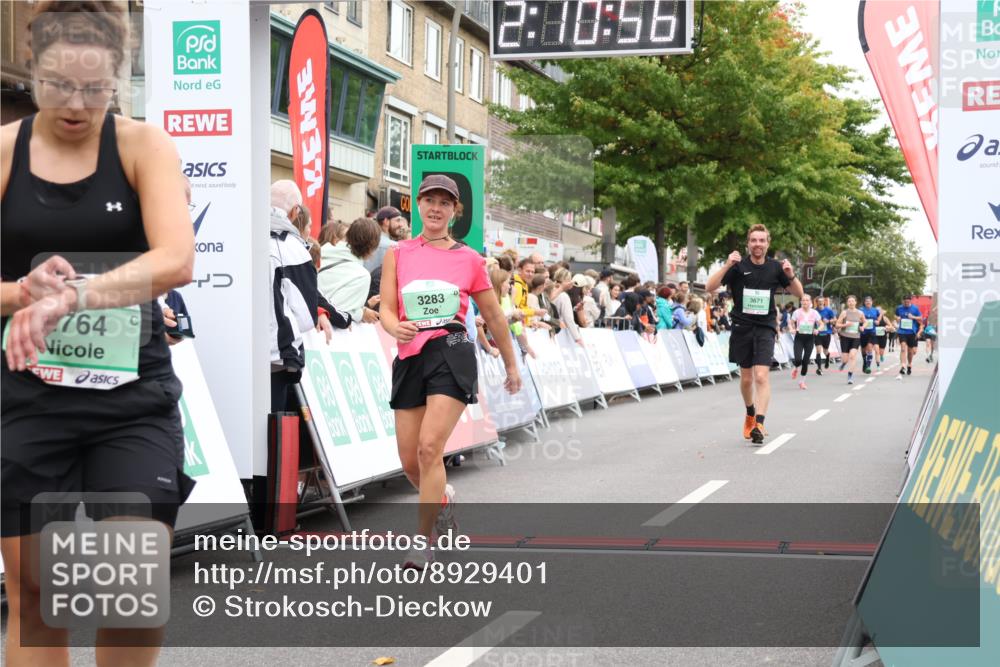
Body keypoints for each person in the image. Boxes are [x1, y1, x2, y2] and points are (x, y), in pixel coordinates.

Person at [1, 3, 193, 663]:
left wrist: (73, 297)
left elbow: (176, 260)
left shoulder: (143, 146)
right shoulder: (5, 151)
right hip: (26, 398)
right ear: (33, 70)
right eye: (58, 85)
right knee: (35, 595)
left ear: (118, 78)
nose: (77, 105)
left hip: (129, 400)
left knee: (130, 587)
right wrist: (21, 294)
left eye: (95, 88)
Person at [379, 175, 520, 570]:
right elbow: (387, 307)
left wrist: (511, 364)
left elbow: (493, 315)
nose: (436, 208)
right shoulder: (398, 253)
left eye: (445, 203)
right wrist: (393, 326)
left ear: (455, 211)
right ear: (418, 205)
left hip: (453, 347)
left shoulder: (470, 259)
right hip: (411, 352)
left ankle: (423, 542)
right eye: (430, 201)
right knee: (411, 462)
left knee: (430, 448)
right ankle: (441, 497)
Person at [705, 224, 803, 444]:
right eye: (754, 240)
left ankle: (759, 422)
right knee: (747, 378)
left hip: (766, 326)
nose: (758, 244)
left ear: (767, 243)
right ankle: (750, 412)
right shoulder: (738, 266)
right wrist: (727, 264)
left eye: (762, 240)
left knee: (761, 376)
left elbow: (799, 293)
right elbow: (709, 287)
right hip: (742, 326)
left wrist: (791, 275)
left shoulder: (776, 267)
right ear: (748, 243)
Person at [318, 217, 383, 324]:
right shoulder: (361, 276)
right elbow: (339, 311)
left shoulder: (322, 251)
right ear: (372, 247)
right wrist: (361, 314)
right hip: (327, 329)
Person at [789, 294, 821, 389]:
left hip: (810, 338)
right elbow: (791, 323)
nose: (805, 302)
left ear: (810, 302)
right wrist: (791, 329)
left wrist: (818, 329)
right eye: (803, 300)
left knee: (805, 361)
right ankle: (796, 367)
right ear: (801, 302)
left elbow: (821, 324)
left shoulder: (814, 313)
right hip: (799, 337)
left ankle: (802, 381)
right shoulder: (797, 312)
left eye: (807, 300)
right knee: (798, 359)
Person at [363, 205, 403, 272]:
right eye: (398, 220)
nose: (401, 224)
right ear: (386, 221)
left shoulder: (365, 241)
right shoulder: (394, 246)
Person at [835, 295, 864, 384]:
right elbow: (837, 325)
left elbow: (865, 322)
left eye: (852, 301)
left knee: (852, 356)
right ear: (847, 303)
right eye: (849, 301)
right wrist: (845, 325)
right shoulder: (844, 313)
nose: (851, 303)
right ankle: (844, 363)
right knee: (845, 359)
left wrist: (862, 327)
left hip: (856, 337)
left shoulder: (860, 313)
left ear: (856, 302)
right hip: (845, 337)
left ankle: (850, 375)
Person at [895, 294, 923, 377]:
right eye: (905, 302)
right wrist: (897, 318)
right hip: (902, 331)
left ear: (910, 301)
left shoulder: (915, 308)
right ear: (902, 301)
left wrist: (913, 317)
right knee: (903, 348)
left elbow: (920, 318)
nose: (906, 303)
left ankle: (909, 364)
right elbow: (896, 315)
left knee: (910, 351)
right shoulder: (899, 308)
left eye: (908, 302)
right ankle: (903, 366)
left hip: (911, 332)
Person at [858, 295, 883, 374]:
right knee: (863, 350)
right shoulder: (861, 310)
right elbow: (857, 318)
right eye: (866, 301)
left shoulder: (875, 310)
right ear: (864, 302)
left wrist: (877, 321)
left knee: (869, 347)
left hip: (872, 332)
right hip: (863, 332)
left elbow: (879, 319)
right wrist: (860, 321)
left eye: (869, 301)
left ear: (872, 302)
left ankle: (868, 366)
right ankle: (864, 362)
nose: (868, 303)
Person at [815, 296, 836, 373]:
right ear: (816, 302)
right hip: (817, 333)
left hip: (826, 333)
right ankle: (819, 368)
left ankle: (827, 358)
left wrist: (829, 321)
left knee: (825, 351)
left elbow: (835, 319)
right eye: (819, 301)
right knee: (818, 350)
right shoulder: (814, 311)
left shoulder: (828, 310)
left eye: (822, 301)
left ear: (824, 302)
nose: (820, 302)